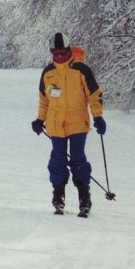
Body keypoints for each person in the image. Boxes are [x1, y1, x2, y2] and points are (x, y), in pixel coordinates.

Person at [31, 33, 106, 215]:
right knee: (58, 159)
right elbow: (44, 100)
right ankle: (58, 195)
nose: (59, 56)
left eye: (62, 53)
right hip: (56, 124)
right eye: (55, 53)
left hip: (78, 122)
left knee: (78, 158)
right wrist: (40, 119)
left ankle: (84, 197)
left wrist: (98, 116)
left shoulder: (81, 70)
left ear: (69, 50)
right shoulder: (48, 73)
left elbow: (94, 95)